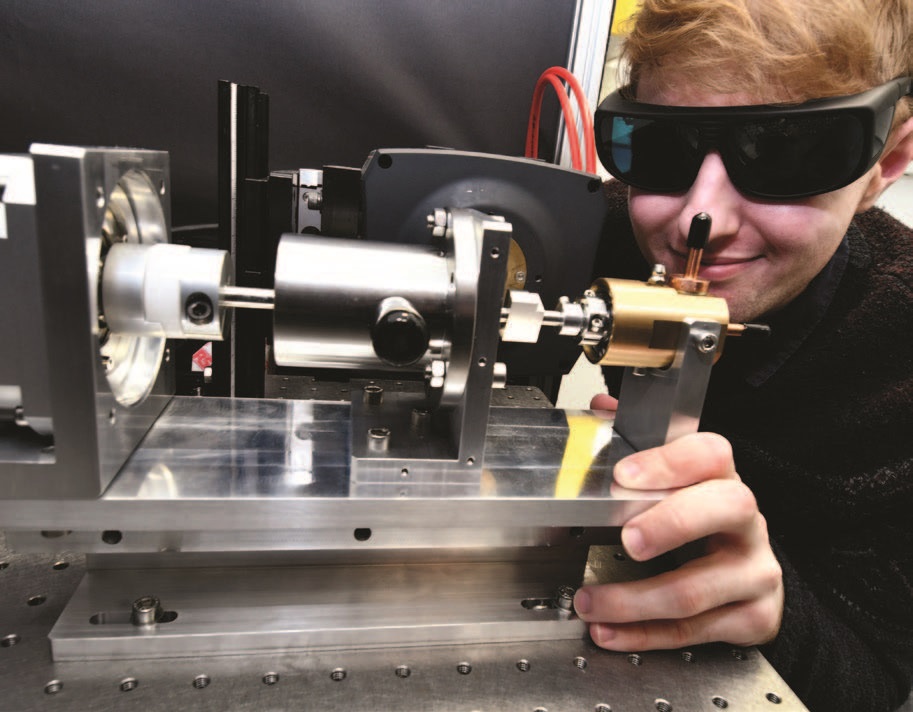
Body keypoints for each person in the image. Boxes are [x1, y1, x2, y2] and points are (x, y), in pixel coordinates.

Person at [574, 1, 913, 710]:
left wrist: (778, 608)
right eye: (661, 147)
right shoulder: (597, 230)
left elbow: (876, 679)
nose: (700, 220)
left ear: (888, 159)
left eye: (785, 153)